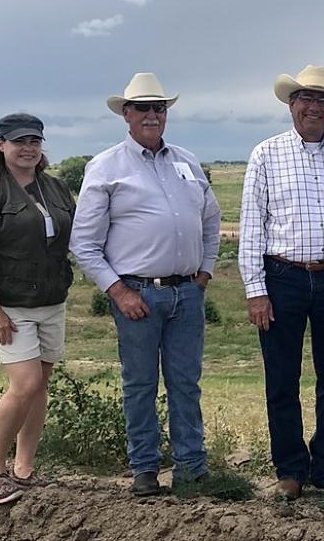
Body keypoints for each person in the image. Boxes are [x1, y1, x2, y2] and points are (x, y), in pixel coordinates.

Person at [70, 73, 221, 496]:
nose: (152, 115)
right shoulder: (105, 166)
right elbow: (83, 243)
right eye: (143, 108)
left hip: (187, 292)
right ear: (126, 114)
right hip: (137, 294)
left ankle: (192, 469)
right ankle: (145, 469)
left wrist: (205, 271)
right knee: (140, 385)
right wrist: (119, 291)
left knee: (186, 383)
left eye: (160, 108)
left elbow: (210, 220)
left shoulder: (187, 162)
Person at [239, 65, 324, 503]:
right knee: (282, 378)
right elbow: (252, 228)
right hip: (282, 279)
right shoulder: (266, 154)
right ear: (291, 104)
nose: (314, 107)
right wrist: (255, 289)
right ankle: (291, 470)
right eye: (307, 99)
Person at [0, 113, 75, 504]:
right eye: (19, 141)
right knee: (23, 384)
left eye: (35, 141)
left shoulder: (55, 188)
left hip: (50, 302)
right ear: (0, 145)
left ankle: (24, 467)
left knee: (40, 386)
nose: (28, 147)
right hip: (9, 305)